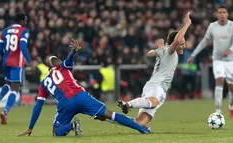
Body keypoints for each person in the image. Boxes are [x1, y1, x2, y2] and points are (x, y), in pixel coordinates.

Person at [18, 39, 151, 137]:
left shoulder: (43, 83)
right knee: (111, 115)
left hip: (66, 104)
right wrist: (73, 51)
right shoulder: (63, 67)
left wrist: (30, 127)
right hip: (81, 96)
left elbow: (38, 106)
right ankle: (142, 129)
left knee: (57, 131)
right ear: (57, 63)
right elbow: (69, 60)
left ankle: (72, 125)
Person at [117, 12, 191, 127]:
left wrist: (159, 50)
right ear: (174, 43)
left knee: (139, 124)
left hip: (154, 86)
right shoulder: (170, 52)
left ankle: (109, 117)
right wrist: (187, 24)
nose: (184, 45)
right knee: (154, 102)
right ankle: (128, 104)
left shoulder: (165, 51)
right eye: (181, 43)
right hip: (157, 86)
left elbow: (149, 53)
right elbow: (176, 41)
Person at [187, 6, 233, 118]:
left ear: (227, 14)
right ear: (217, 14)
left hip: (230, 60)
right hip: (217, 59)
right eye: (220, 12)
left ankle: (231, 107)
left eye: (224, 12)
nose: (222, 14)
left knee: (232, 86)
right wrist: (193, 54)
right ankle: (218, 112)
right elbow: (204, 42)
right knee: (219, 81)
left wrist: (230, 50)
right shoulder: (212, 26)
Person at [0, 13, 34, 124]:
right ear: (21, 21)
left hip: (6, 62)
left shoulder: (5, 31)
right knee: (15, 89)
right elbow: (23, 47)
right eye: (25, 20)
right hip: (17, 63)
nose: (25, 23)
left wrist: (5, 58)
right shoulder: (24, 31)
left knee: (7, 82)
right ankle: (5, 112)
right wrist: (30, 62)